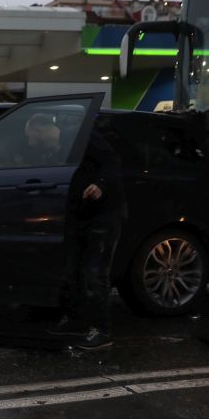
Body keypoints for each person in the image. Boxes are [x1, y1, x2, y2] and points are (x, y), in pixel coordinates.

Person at [47, 130, 127, 350]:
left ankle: (102, 330)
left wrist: (100, 184)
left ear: (45, 130)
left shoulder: (83, 138)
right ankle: (77, 320)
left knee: (95, 272)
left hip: (103, 213)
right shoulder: (60, 148)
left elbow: (112, 160)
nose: (30, 140)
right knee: (73, 270)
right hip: (80, 215)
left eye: (33, 134)